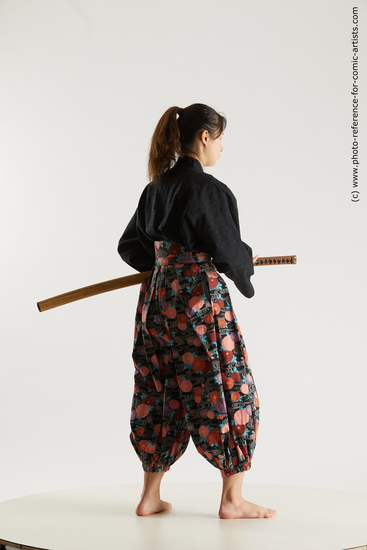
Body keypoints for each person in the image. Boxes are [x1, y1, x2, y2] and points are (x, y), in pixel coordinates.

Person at [117, 103, 276, 519]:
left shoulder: (155, 189)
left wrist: (166, 265)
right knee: (227, 384)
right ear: (204, 137)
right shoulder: (209, 190)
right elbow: (229, 253)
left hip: (157, 300)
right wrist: (244, 263)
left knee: (160, 385)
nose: (222, 148)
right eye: (220, 138)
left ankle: (149, 497)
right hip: (198, 301)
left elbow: (130, 247)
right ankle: (232, 500)